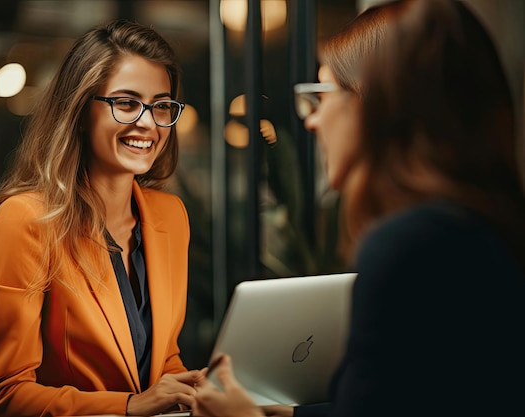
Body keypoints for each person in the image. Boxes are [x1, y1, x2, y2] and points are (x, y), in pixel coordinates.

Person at [194, 0, 525, 416]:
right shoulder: (480, 231)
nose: (312, 121)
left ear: (380, 104)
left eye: (321, 95)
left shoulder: (408, 246)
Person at [0, 20, 204, 417]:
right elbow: (3, 397)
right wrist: (130, 406)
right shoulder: (26, 220)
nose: (147, 123)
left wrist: (189, 388)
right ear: (79, 110)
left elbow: (160, 360)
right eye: (127, 103)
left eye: (161, 105)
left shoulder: (171, 216)